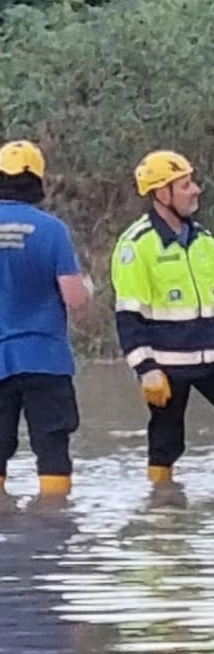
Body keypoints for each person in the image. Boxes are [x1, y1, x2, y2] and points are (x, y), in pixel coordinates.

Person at [0, 140, 91, 498]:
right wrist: (87, 288)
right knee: (52, 448)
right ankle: (55, 525)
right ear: (38, 181)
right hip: (46, 362)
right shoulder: (53, 231)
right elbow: (75, 300)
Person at [110, 149, 214, 486]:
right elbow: (128, 317)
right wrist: (146, 369)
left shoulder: (206, 243)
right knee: (166, 443)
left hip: (211, 357)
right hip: (166, 366)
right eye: (186, 185)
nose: (196, 190)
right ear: (161, 194)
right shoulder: (136, 245)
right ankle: (162, 508)